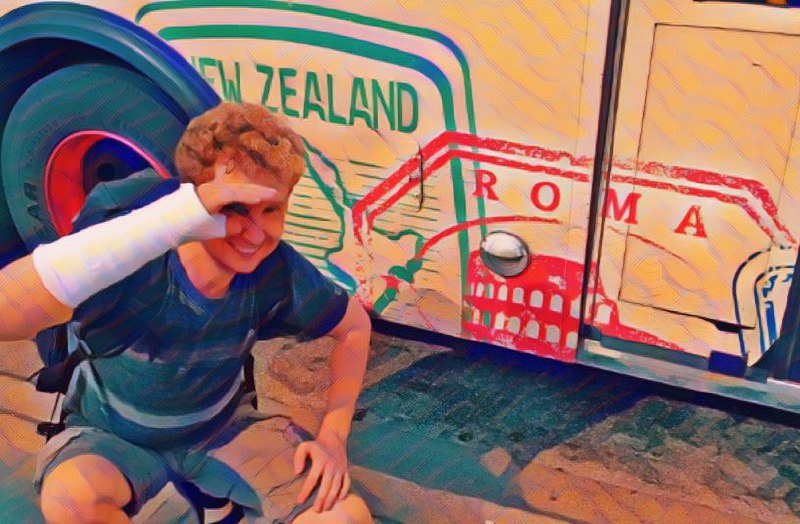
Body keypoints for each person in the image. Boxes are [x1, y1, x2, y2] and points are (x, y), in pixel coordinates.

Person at [0, 102, 373, 523]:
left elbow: (354, 327)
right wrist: (181, 215)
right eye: (234, 207)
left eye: (271, 209)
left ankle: (210, 493)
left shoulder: (276, 270)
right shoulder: (133, 262)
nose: (254, 234)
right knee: (72, 501)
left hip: (220, 430)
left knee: (343, 516)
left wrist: (333, 435)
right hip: (111, 435)